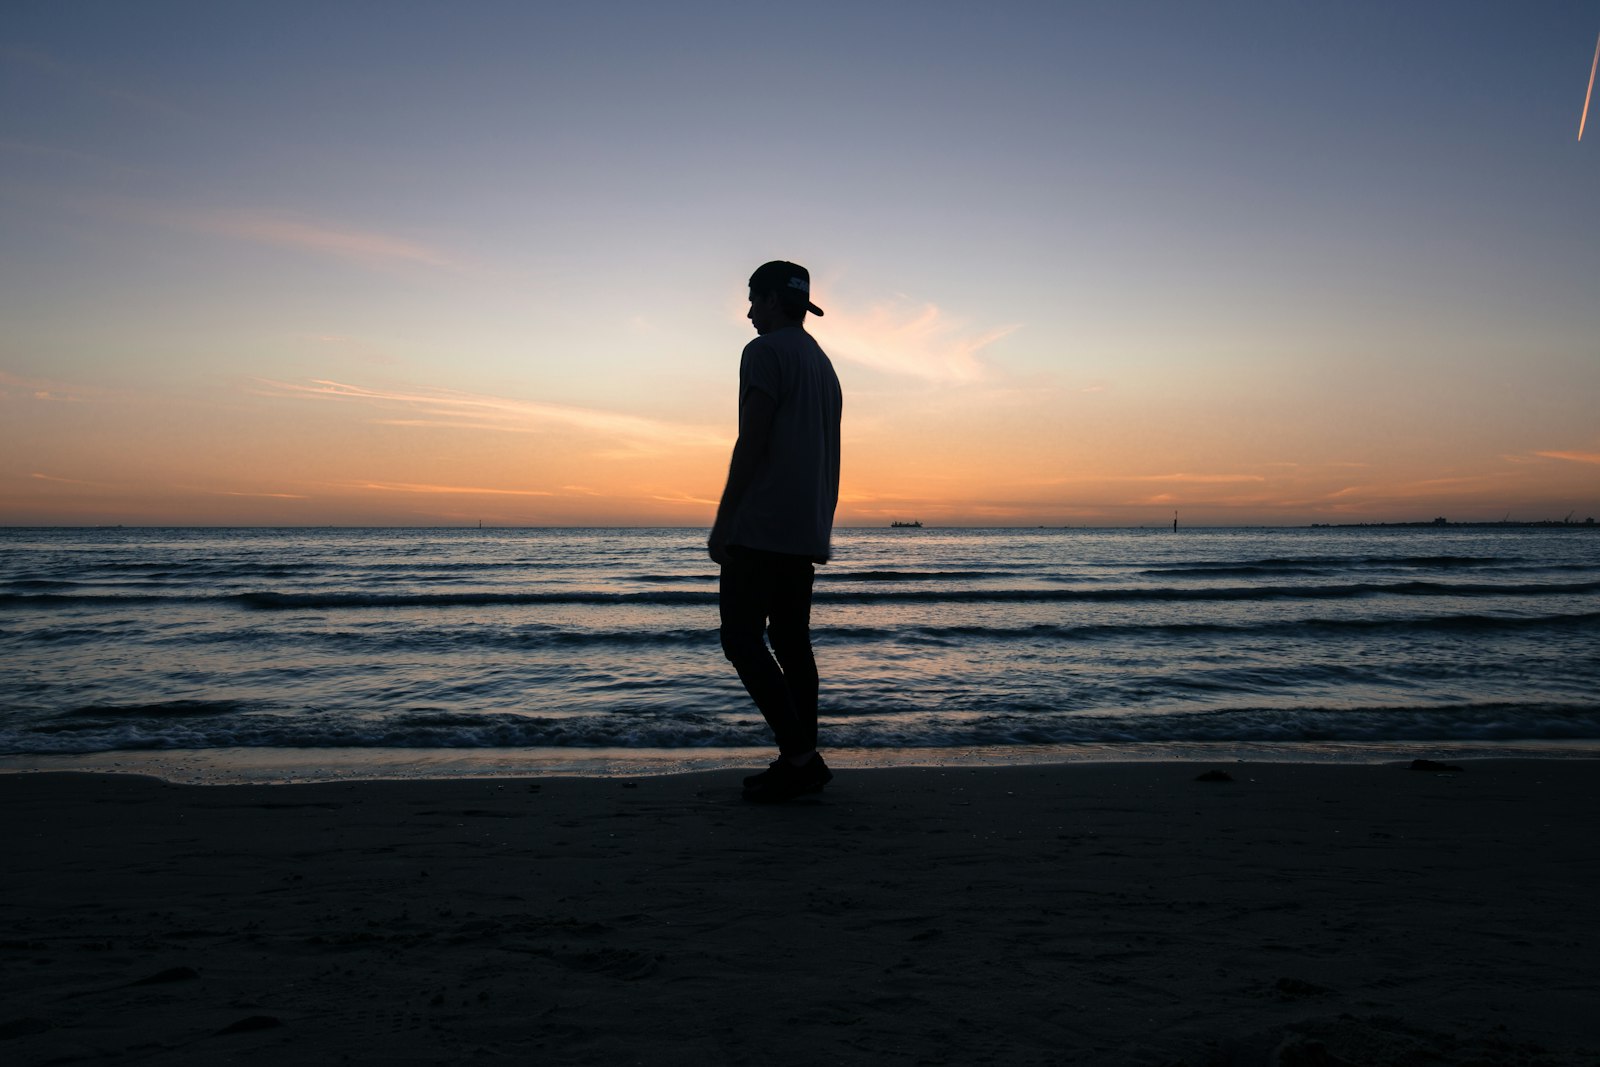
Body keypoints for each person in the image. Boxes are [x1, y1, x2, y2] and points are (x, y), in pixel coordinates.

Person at [709, 260, 843, 802]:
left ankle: (800, 756)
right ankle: (800, 759)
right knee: (791, 641)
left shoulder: (762, 353)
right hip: (805, 525)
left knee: (741, 637)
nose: (747, 313)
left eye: (752, 301)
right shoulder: (823, 364)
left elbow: (753, 440)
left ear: (769, 301)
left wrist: (725, 517)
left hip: (761, 523)